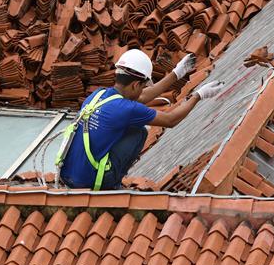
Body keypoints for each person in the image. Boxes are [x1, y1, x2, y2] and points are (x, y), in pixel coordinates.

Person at [58, 49, 225, 190]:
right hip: (89, 181)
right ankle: (112, 184)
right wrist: (198, 95)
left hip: (68, 175)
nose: (143, 90)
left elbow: (142, 96)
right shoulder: (126, 109)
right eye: (143, 86)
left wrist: (177, 73)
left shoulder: (98, 95)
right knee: (139, 132)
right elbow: (170, 120)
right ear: (135, 85)